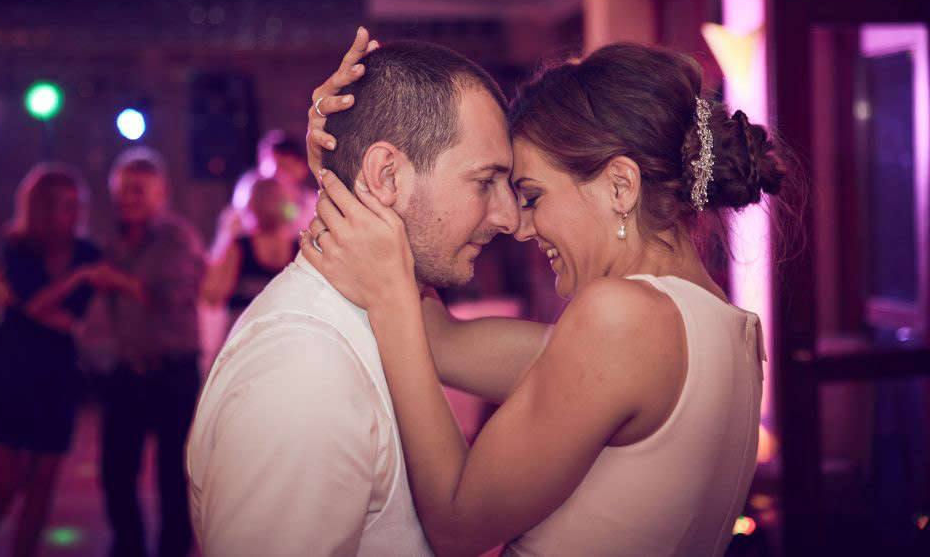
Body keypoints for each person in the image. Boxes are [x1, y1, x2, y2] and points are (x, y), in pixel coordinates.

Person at [303, 38, 788, 556]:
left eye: (532, 196)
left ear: (620, 186)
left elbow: (457, 525)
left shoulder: (622, 319)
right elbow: (438, 343)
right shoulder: (722, 325)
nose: (519, 226)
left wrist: (389, 297)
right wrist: (349, 164)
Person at [185, 33, 520, 556]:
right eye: (484, 181)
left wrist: (338, 179)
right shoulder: (303, 371)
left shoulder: (384, 317)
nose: (509, 217)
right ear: (386, 175)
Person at [0, 163, 140, 557]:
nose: (75, 214)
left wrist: (20, 302)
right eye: (65, 205)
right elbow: (39, 305)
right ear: (41, 208)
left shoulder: (87, 251)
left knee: (43, 484)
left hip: (55, 372)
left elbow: (67, 321)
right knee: (7, 483)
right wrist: (75, 279)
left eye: (78, 205)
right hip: (7, 369)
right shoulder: (18, 247)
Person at [101, 148, 206, 557]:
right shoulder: (113, 242)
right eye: (123, 191)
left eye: (138, 191)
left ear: (162, 193)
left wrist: (119, 281)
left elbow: (168, 296)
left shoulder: (179, 237)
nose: (128, 199)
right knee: (115, 473)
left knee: (172, 479)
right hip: (128, 370)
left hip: (173, 372)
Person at [200, 176, 298, 322]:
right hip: (285, 328)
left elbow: (212, 295)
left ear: (249, 205)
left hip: (246, 329)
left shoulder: (239, 246)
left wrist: (224, 236)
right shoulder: (299, 247)